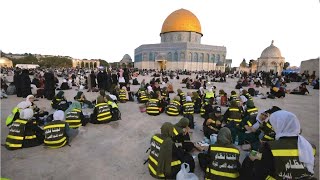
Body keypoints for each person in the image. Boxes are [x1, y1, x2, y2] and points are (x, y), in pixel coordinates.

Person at [241, 110, 317, 179]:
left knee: (248, 159)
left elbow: (260, 169)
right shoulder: (310, 147)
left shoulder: (271, 147)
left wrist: (252, 154)